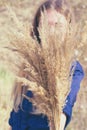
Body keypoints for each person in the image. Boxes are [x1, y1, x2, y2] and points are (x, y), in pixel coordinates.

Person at [8, 0, 84, 130]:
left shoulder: (72, 69)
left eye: (58, 25)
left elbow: (64, 110)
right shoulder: (28, 64)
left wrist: (58, 119)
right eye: (46, 25)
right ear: (38, 28)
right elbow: (15, 118)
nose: (52, 31)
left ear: (68, 29)